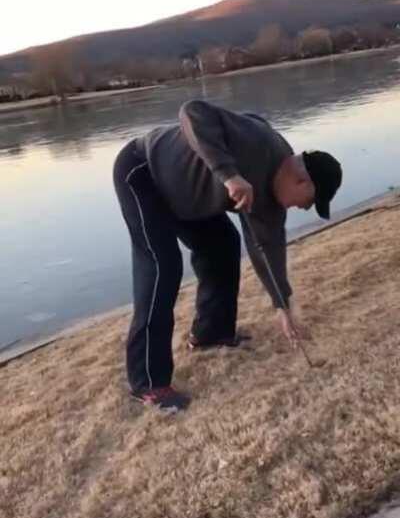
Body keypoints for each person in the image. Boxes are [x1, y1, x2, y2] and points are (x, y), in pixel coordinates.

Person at [113, 99, 342, 412]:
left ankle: (211, 333)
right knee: (161, 267)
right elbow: (193, 111)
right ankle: (148, 383)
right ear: (301, 180)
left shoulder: (273, 202)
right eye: (308, 202)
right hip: (144, 172)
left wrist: (282, 304)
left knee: (222, 245)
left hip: (189, 195)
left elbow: (269, 249)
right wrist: (229, 174)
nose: (303, 208)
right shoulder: (257, 142)